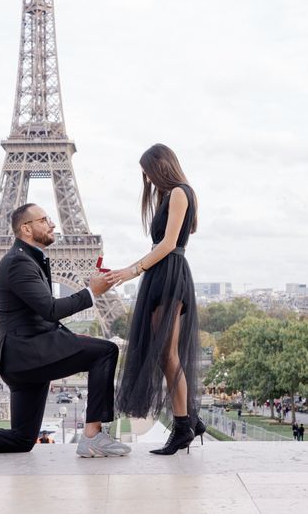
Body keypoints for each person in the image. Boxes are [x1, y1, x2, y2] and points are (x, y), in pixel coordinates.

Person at [0, 203, 130, 461]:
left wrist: (72, 338)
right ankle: (93, 437)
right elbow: (50, 309)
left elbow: (37, 315)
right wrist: (91, 292)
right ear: (26, 228)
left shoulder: (25, 259)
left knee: (22, 438)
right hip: (30, 355)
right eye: (45, 219)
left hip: (22, 360)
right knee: (105, 351)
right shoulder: (18, 262)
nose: (52, 224)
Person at [105, 144, 203, 456]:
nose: (144, 176)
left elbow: (168, 243)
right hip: (164, 274)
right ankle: (190, 421)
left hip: (168, 274)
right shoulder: (170, 194)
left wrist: (131, 271)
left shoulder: (178, 192)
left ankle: (183, 426)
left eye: (146, 169)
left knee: (167, 354)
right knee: (166, 354)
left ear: (160, 165)